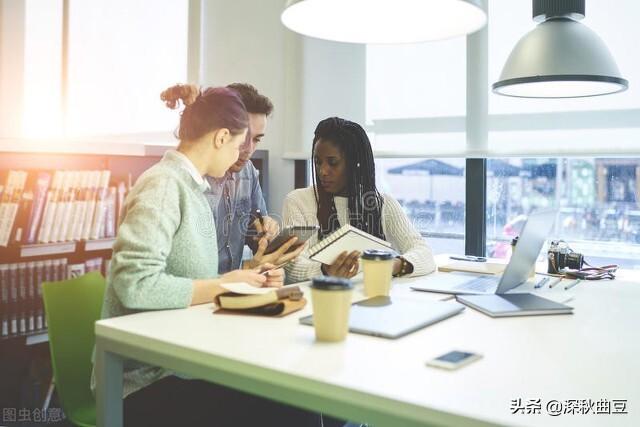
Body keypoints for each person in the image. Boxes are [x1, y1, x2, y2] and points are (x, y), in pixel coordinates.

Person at [94, 84, 320, 426]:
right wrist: (223, 285)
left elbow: (191, 281)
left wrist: (246, 278)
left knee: (296, 398)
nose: (240, 157)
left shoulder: (193, 190)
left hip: (184, 361)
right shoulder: (163, 186)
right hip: (144, 380)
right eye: (237, 144)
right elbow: (135, 286)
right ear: (221, 137)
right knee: (291, 408)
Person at [282, 117, 437, 283]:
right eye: (318, 162)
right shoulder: (298, 201)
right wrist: (325, 270)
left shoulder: (381, 204)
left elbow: (424, 253)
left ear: (355, 164)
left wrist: (391, 265)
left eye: (333, 163)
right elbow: (292, 266)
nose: (323, 171)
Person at [203, 83, 304, 274]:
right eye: (243, 136)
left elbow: (257, 238)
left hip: (237, 289)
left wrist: (264, 234)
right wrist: (248, 269)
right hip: (203, 294)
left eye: (257, 139)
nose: (249, 149)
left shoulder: (247, 171)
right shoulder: (193, 181)